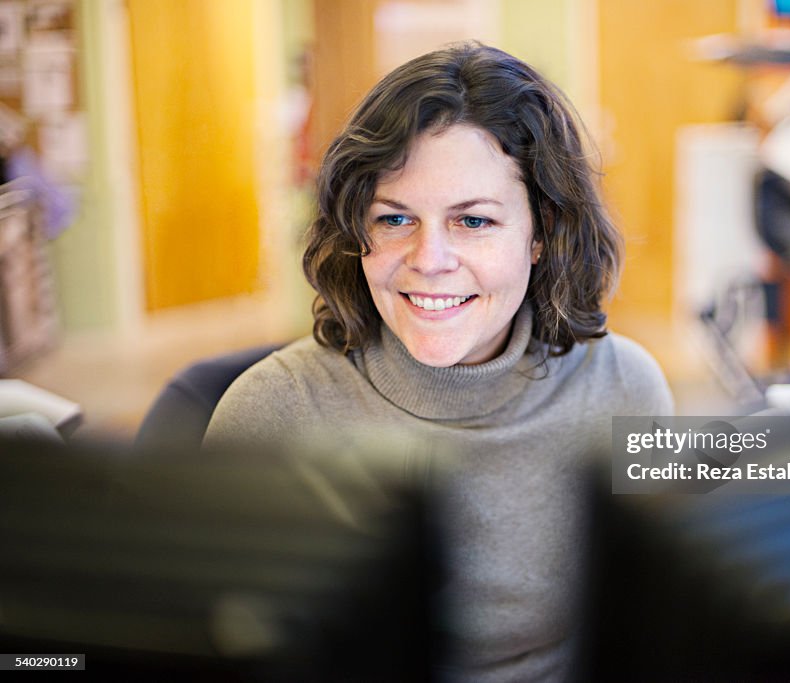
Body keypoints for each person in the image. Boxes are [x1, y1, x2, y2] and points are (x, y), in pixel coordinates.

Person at [205, 42, 673, 681]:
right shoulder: (272, 412)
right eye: (395, 218)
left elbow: (657, 627)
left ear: (541, 234)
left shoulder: (625, 388)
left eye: (473, 222)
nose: (429, 260)